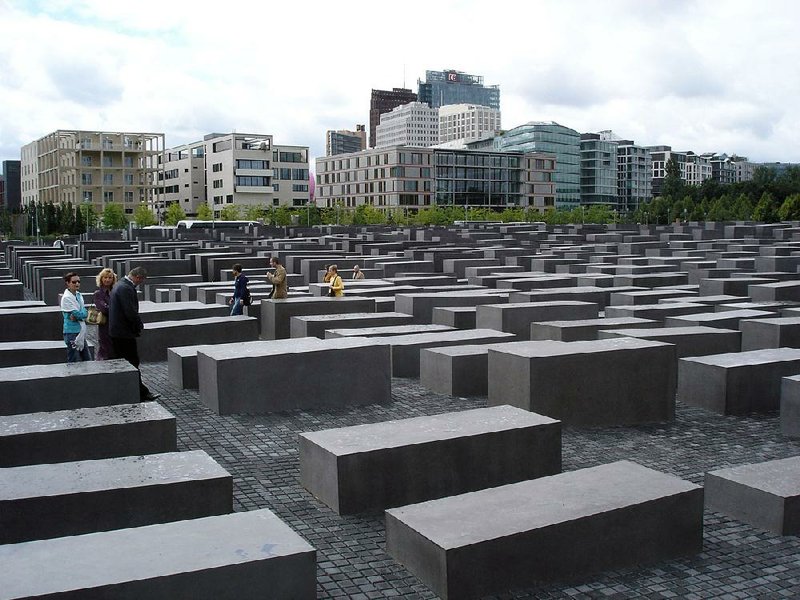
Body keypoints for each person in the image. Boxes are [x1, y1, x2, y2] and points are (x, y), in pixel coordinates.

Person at [109, 266, 161, 401]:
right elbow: (130, 312)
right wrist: (138, 326)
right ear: (138, 277)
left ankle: (134, 391)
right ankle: (140, 393)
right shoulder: (126, 288)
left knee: (126, 363)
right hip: (124, 333)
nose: (140, 283)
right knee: (132, 362)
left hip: (117, 332)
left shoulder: (119, 284)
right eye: (141, 280)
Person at [60, 272, 91, 362]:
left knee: (87, 359)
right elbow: (79, 314)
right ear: (68, 283)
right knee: (73, 360)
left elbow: (83, 311)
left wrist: (82, 314)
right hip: (71, 332)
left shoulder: (79, 295)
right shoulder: (66, 298)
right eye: (74, 282)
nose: (77, 284)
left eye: (78, 281)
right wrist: (82, 314)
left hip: (80, 331)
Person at [92, 268, 117, 360]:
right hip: (105, 326)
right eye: (105, 277)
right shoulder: (98, 294)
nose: (107, 280)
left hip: (116, 326)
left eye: (110, 277)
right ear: (101, 279)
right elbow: (103, 309)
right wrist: (117, 309)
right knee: (105, 350)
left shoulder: (115, 292)